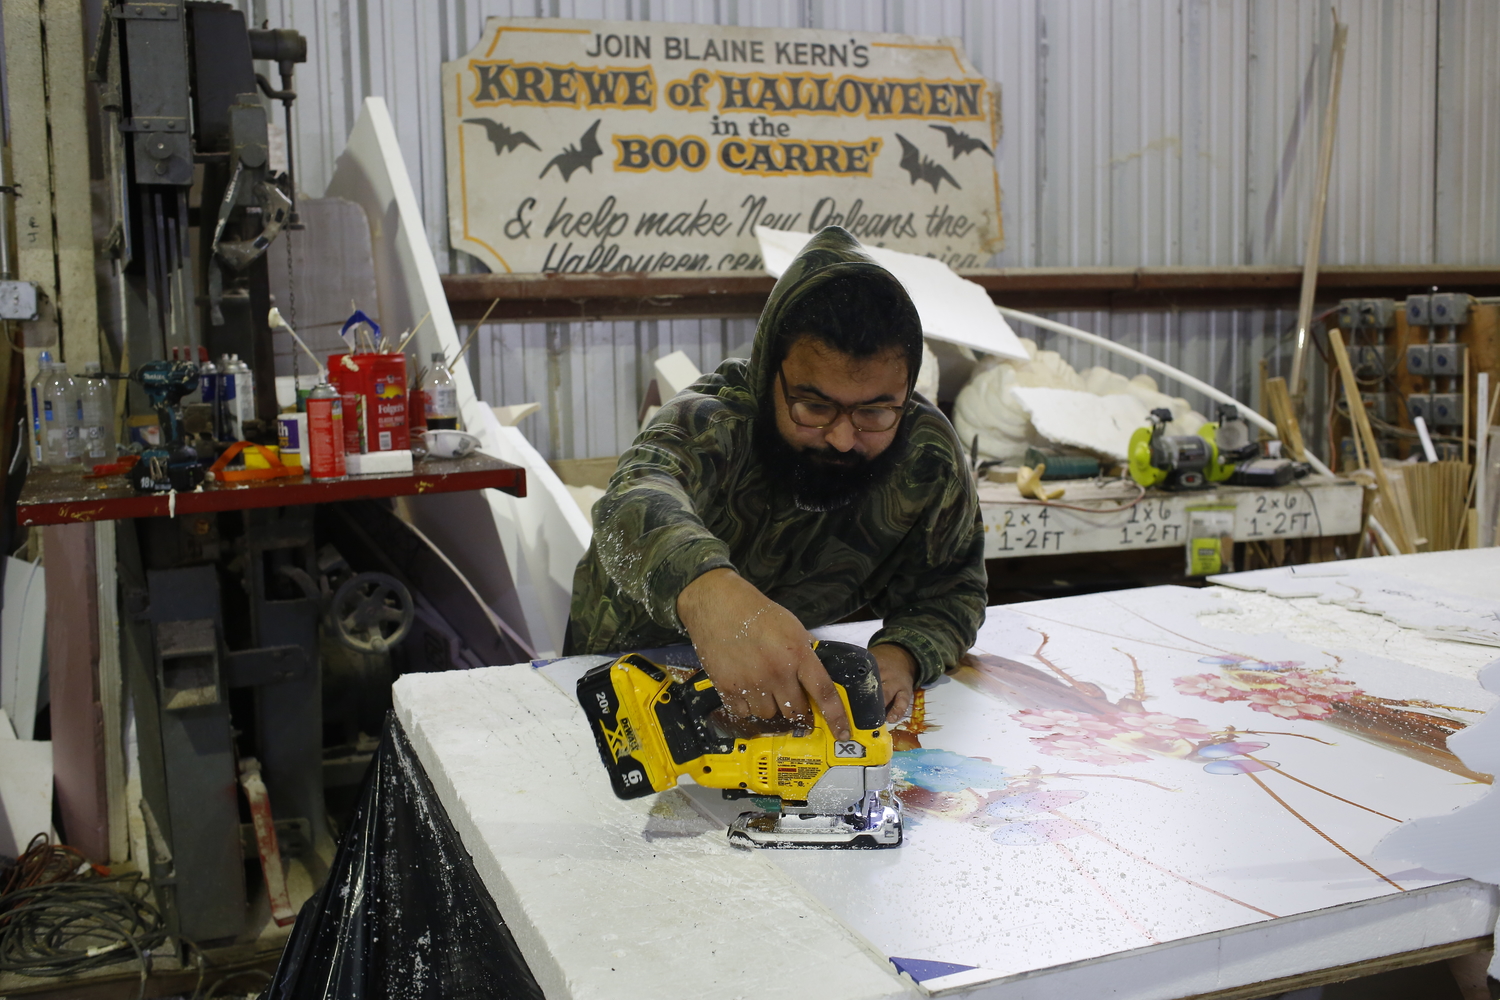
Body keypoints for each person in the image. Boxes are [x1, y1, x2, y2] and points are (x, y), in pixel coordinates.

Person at [567, 226, 986, 738]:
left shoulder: (926, 453)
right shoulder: (710, 423)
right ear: (768, 375)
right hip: (625, 688)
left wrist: (903, 654)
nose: (841, 437)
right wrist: (711, 595)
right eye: (814, 405)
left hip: (776, 707)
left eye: (875, 410)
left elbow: (951, 590)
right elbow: (631, 502)